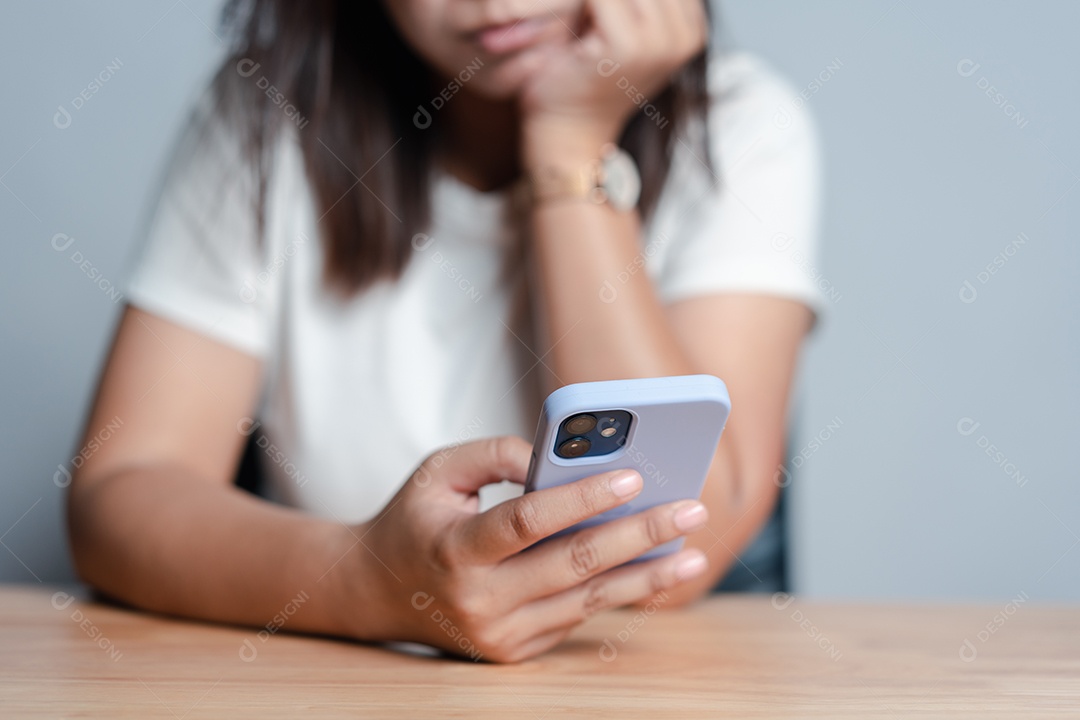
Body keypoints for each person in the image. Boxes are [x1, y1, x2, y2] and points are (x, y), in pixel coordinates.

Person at [67, 0, 822, 663]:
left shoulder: (741, 124)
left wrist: (569, 151)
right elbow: (117, 494)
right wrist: (368, 578)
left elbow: (681, 538)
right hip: (347, 686)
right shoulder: (269, 115)